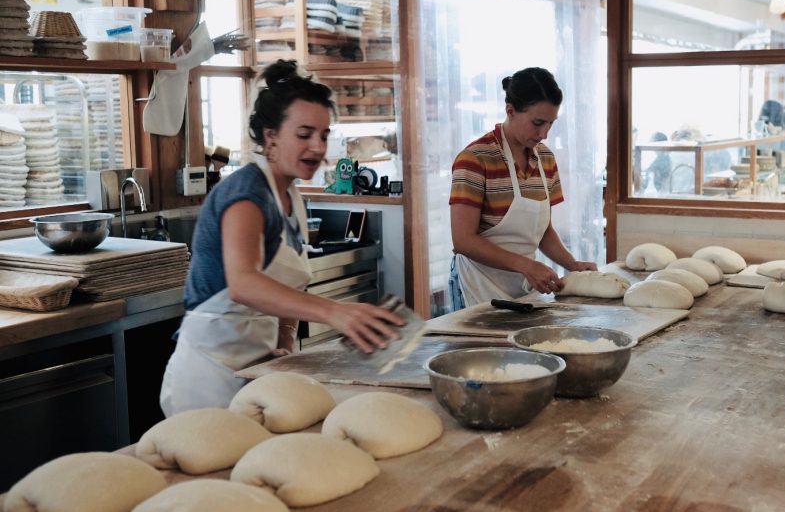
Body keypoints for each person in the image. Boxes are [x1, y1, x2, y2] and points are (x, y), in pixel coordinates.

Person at [160, 60, 403, 416]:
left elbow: (292, 282)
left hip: (258, 369)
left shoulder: (292, 197)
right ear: (271, 136)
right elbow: (244, 284)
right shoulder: (245, 195)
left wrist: (285, 340)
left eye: (324, 135)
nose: (318, 147)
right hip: (209, 377)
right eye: (304, 135)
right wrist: (335, 313)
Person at [448, 67, 598, 309]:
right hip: (475, 285)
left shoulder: (545, 159)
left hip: (522, 288)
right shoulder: (475, 159)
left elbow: (541, 230)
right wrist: (527, 265)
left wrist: (572, 265)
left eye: (551, 123)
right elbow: (463, 240)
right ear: (511, 110)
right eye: (537, 123)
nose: (544, 134)